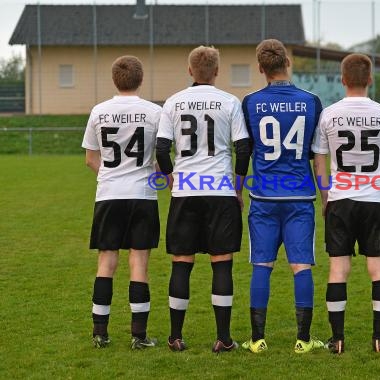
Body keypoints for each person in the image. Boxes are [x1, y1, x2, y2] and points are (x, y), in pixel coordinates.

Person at [155, 46, 250, 353]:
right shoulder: (230, 102)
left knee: (181, 264)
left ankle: (175, 337)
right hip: (220, 191)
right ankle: (223, 338)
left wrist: (171, 180)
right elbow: (244, 148)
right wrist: (237, 187)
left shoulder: (173, 102)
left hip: (186, 191)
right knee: (221, 264)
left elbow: (160, 149)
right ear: (217, 71)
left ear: (189, 70)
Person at [312, 53, 380, 354]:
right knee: (379, 269)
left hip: (340, 199)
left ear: (342, 79)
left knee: (339, 269)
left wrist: (325, 196)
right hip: (374, 199)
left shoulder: (329, 114)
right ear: (370, 79)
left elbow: (320, 160)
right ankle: (379, 338)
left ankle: (337, 339)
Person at [241, 39, 324, 354]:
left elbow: (245, 149)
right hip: (300, 196)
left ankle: (257, 340)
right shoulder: (312, 101)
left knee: (262, 265)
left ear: (261, 68)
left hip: (263, 195)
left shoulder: (249, 102)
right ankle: (303, 340)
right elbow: (317, 151)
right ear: (287, 63)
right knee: (301, 266)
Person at [82, 55, 161, 350]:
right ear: (140, 79)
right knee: (138, 262)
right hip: (142, 195)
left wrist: (112, 174)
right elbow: (161, 159)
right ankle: (139, 336)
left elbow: (91, 159)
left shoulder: (99, 111)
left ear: (115, 79)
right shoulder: (154, 112)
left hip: (109, 194)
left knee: (106, 262)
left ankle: (100, 333)